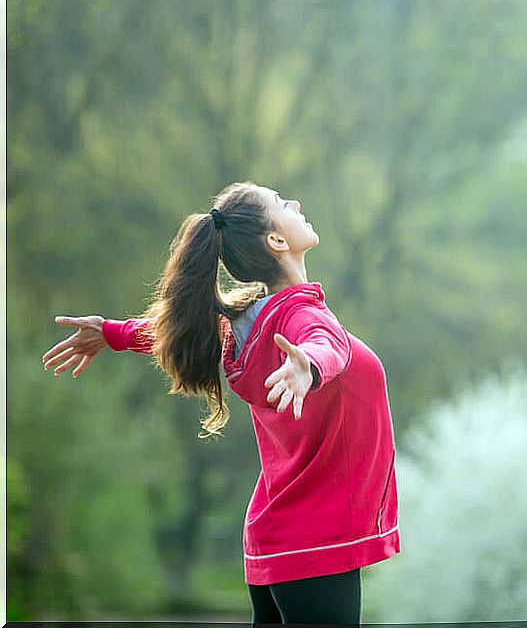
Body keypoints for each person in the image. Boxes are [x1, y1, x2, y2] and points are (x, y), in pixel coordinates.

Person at [41, 181, 400, 625]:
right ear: (276, 241)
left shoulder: (250, 322)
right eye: (281, 203)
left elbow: (180, 329)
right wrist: (309, 364)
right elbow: (326, 343)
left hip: (279, 538)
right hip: (313, 543)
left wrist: (113, 332)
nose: (296, 203)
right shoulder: (299, 317)